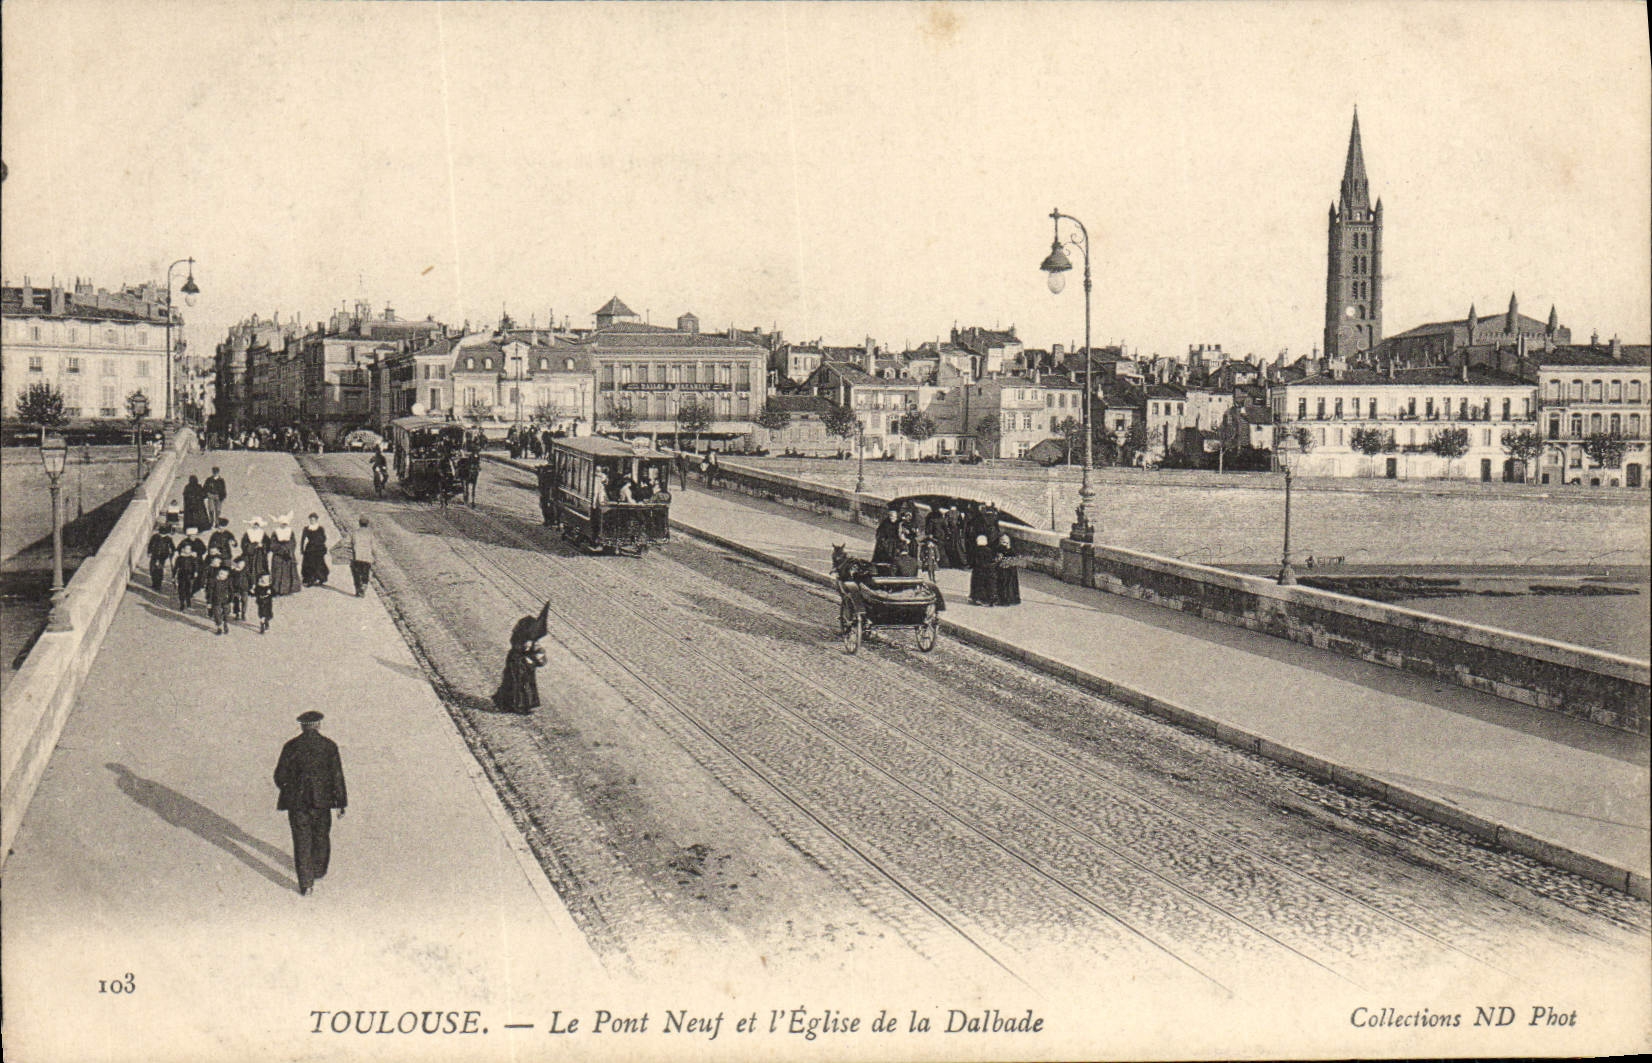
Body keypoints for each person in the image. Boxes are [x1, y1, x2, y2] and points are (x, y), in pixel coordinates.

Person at [273, 710, 347, 897]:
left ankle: (306, 884)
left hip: (297, 803)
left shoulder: (291, 746)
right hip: (322, 802)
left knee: (302, 841)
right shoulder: (329, 746)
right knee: (321, 836)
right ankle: (318, 869)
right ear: (318, 725)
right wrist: (340, 802)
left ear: (302, 726)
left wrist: (291, 790)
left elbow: (279, 776)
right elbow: (337, 776)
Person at [493, 602, 551, 713]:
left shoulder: (530, 642)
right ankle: (516, 706)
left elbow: (538, 656)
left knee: (524, 685)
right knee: (516, 684)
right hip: (517, 665)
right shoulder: (518, 641)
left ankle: (521, 705)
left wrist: (534, 655)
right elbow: (518, 651)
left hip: (524, 666)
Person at [269, 515, 301, 595]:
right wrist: (281, 550)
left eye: (285, 524)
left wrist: (288, 549)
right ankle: (277, 590)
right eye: (283, 524)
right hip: (279, 555)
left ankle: (289, 589)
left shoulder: (290, 531)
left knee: (289, 571)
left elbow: (293, 542)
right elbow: (272, 544)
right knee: (278, 572)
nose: (284, 525)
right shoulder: (275, 532)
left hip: (288, 554)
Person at [175, 528, 205, 610]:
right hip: (187, 564)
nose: (193, 537)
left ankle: (192, 592)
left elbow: (204, 550)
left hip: (198, 562)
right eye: (191, 535)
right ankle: (186, 599)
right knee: (185, 584)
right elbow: (178, 550)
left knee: (198, 579)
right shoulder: (185, 542)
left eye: (194, 535)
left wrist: (197, 553)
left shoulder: (199, 541)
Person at [969, 533, 999, 606]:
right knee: (988, 584)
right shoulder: (989, 550)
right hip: (988, 570)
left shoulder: (975, 550)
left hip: (978, 570)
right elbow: (992, 560)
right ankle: (990, 598)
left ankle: (978, 598)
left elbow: (972, 561)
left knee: (978, 584)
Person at [300, 513, 329, 587]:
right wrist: (302, 548)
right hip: (310, 549)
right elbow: (303, 539)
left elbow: (324, 538)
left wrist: (320, 543)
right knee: (309, 564)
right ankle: (310, 579)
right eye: (310, 519)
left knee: (319, 563)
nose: (312, 521)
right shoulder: (306, 528)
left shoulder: (320, 528)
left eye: (313, 519)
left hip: (318, 548)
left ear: (316, 520)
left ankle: (321, 577)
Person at [206, 557, 233, 635]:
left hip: (225, 600)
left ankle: (225, 623)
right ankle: (219, 627)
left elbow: (231, 591)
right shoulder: (213, 581)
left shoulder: (228, 581)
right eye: (221, 573)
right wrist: (209, 602)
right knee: (217, 614)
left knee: (226, 612)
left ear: (227, 576)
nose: (222, 576)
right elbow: (210, 592)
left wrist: (230, 599)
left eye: (224, 575)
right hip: (216, 600)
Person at [994, 532, 1022, 607]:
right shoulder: (1000, 549)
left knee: (1007, 584)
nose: (1004, 543)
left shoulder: (1010, 551)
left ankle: (1006, 599)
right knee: (1005, 584)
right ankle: (1006, 598)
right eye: (1002, 541)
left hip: (1008, 570)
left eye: (1005, 542)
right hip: (1005, 570)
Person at [349, 516, 375, 597]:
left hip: (357, 556)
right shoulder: (370, 534)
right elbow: (373, 546)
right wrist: (374, 556)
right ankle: (364, 586)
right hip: (367, 557)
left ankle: (358, 589)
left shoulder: (355, 532)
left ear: (359, 523)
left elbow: (352, 543)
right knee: (365, 573)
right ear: (367, 524)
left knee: (356, 573)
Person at [871, 506, 903, 570]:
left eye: (893, 516)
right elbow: (879, 531)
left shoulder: (899, 523)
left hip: (895, 543)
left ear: (896, 516)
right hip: (885, 542)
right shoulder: (885, 522)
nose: (892, 517)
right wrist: (882, 539)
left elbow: (900, 534)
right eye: (890, 516)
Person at [146, 523, 175, 591]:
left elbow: (173, 547)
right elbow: (150, 544)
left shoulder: (168, 539)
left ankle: (158, 585)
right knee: (152, 569)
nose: (162, 535)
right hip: (154, 555)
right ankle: (154, 582)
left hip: (163, 556)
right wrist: (149, 552)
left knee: (159, 570)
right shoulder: (155, 537)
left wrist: (171, 553)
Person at [229, 556, 249, 622]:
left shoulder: (246, 571)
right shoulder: (233, 572)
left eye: (243, 564)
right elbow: (230, 580)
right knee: (236, 600)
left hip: (244, 588)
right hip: (236, 588)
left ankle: (243, 613)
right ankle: (237, 613)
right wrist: (231, 588)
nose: (241, 565)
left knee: (244, 600)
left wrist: (252, 586)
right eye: (240, 564)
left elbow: (251, 578)